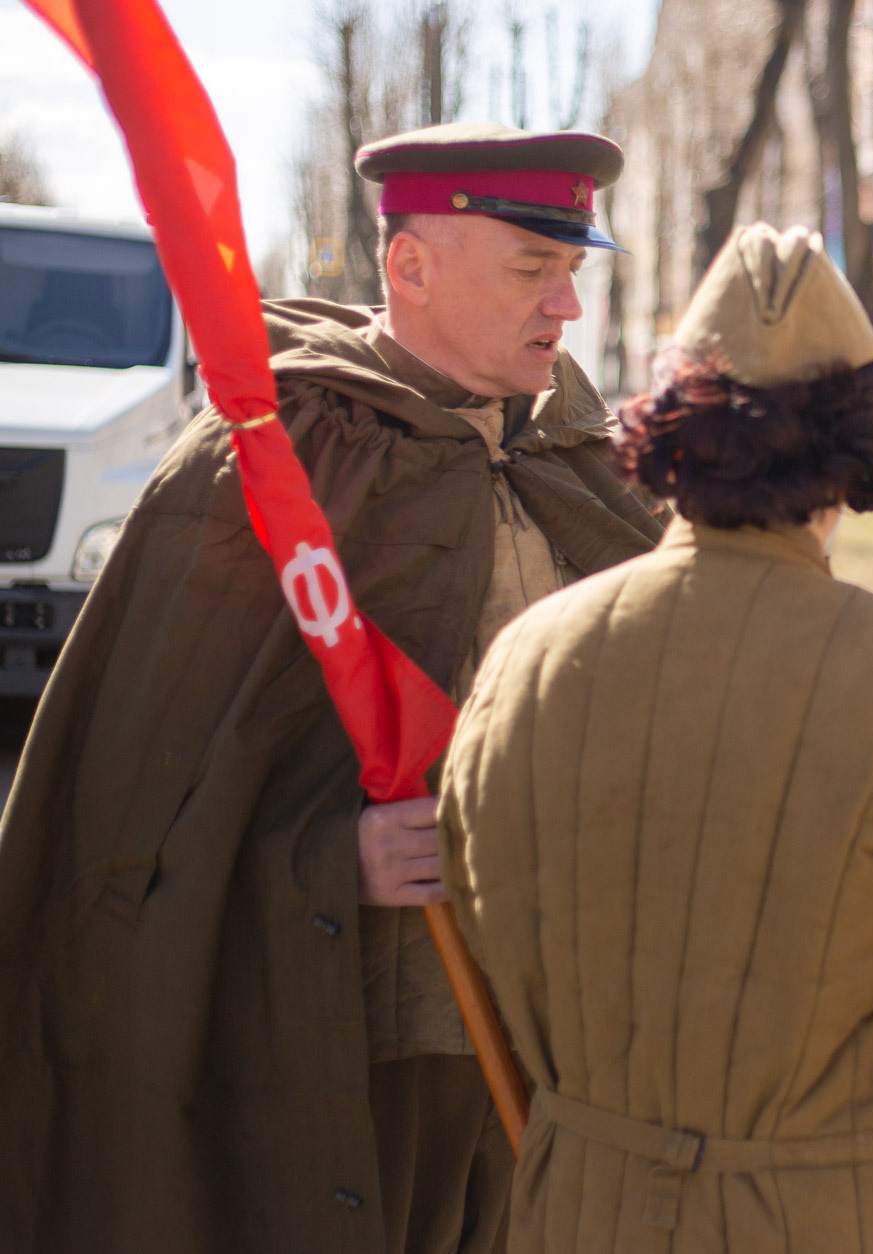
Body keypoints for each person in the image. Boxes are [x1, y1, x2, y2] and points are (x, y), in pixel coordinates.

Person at [0, 122, 664, 1254]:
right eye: (528, 269)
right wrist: (328, 855)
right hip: (350, 1047)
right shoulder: (269, 460)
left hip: (569, 1042)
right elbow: (131, 814)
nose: (567, 309)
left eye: (570, 271)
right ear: (410, 266)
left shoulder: (584, 463)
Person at [436, 225, 873, 1254]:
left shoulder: (524, 662)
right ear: (854, 449)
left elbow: (484, 959)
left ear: (668, 428)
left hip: (583, 1211)